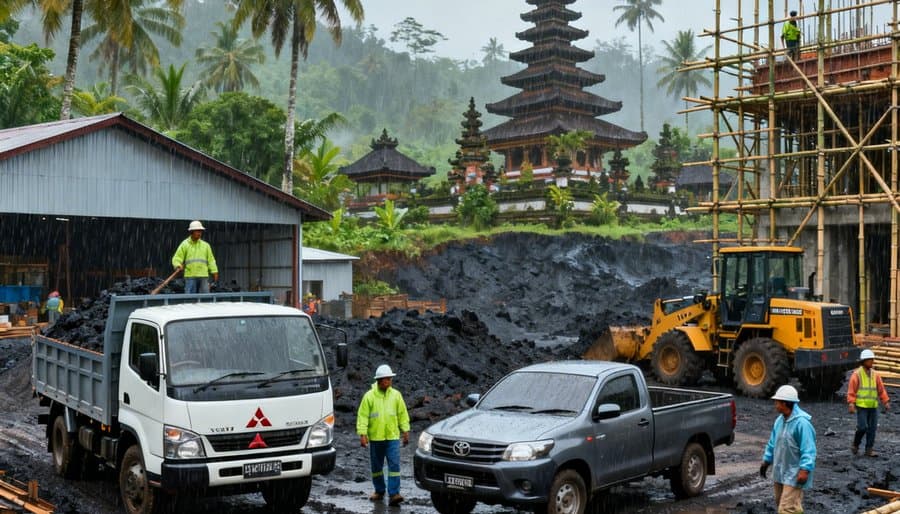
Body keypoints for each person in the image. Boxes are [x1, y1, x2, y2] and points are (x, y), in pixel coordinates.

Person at [356, 364, 410, 506]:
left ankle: (394, 493)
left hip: (392, 437)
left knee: (394, 466)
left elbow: (402, 414)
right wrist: (362, 434)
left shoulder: (396, 395)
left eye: (390, 379)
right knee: (376, 467)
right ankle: (379, 491)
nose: (389, 381)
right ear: (379, 380)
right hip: (376, 438)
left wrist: (405, 431)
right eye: (386, 379)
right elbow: (363, 416)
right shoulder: (369, 397)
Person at [760, 385, 816, 514]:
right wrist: (766, 461)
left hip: (795, 472)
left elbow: (809, 449)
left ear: (784, 403)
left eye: (777, 401)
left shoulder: (802, 424)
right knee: (782, 502)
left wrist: (805, 469)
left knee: (786, 509)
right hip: (780, 470)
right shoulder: (779, 421)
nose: (775, 404)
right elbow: (772, 443)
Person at [847, 349, 891, 457]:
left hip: (873, 406)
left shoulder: (875, 375)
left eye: (872, 360)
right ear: (864, 361)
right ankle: (856, 444)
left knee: (872, 428)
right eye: (869, 360)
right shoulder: (856, 375)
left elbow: (881, 390)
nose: (872, 362)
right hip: (861, 406)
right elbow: (851, 390)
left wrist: (885, 401)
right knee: (862, 427)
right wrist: (851, 403)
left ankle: (869, 449)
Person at [171, 220, 218, 294]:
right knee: (190, 301)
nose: (199, 233)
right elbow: (177, 258)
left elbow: (211, 261)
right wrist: (177, 265)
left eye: (200, 231)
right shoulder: (185, 244)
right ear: (191, 232)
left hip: (203, 277)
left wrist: (215, 272)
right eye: (197, 231)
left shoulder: (206, 246)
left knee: (204, 301)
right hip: (190, 277)